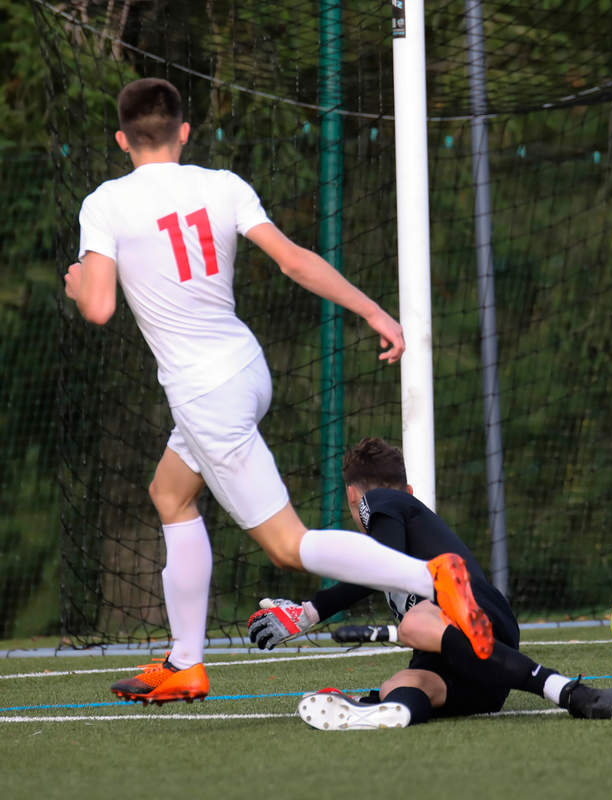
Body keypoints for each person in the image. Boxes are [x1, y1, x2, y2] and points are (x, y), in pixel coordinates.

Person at [65, 77, 493, 705]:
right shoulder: (223, 185)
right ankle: (185, 662)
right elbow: (294, 260)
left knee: (288, 546)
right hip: (245, 368)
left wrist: (78, 286)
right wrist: (374, 311)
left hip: (205, 394)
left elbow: (98, 307)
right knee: (170, 493)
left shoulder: (106, 202)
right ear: (184, 132)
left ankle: (431, 578)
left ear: (122, 138)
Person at [246, 436, 612, 728]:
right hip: (485, 678)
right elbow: (382, 569)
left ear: (352, 495)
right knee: (403, 683)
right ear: (409, 491)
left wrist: (309, 611)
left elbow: (379, 567)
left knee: (415, 624)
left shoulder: (378, 500)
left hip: (473, 612)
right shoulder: (405, 507)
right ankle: (374, 711)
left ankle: (569, 692)